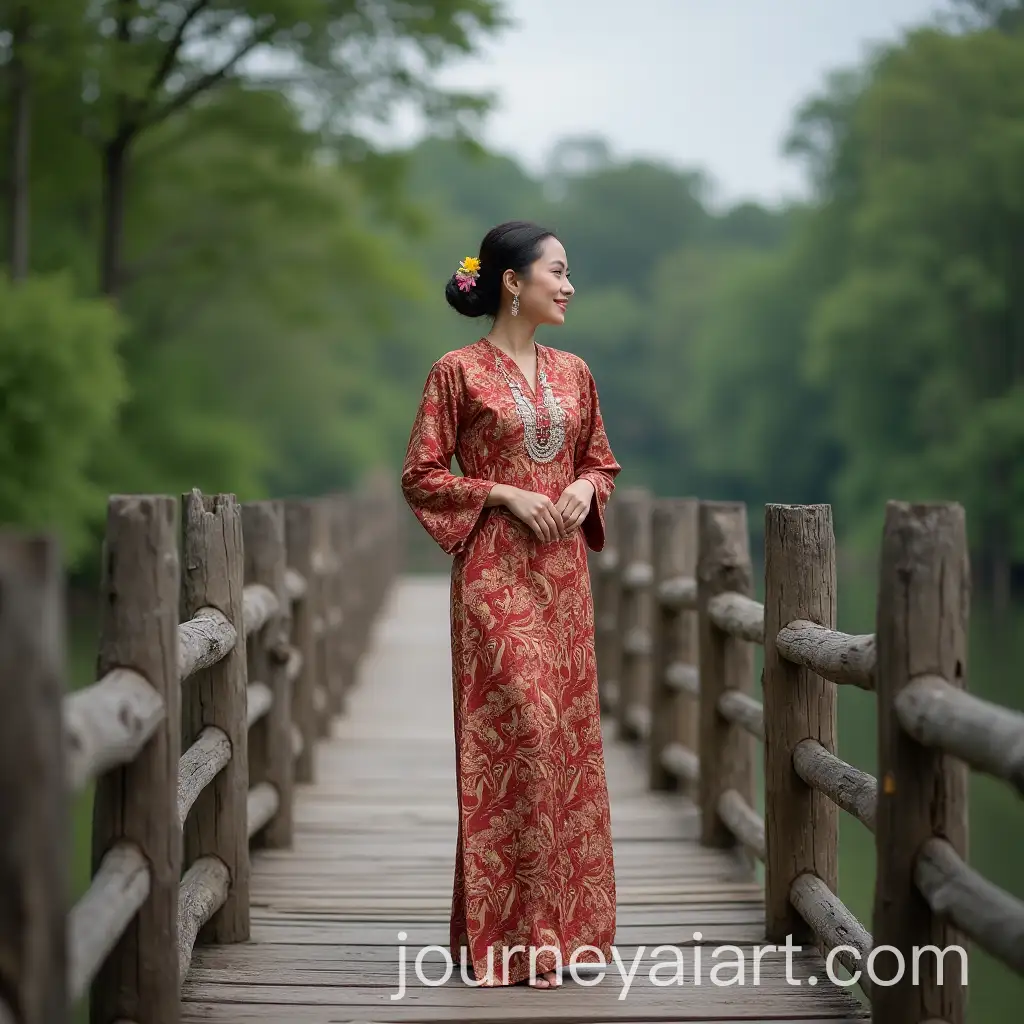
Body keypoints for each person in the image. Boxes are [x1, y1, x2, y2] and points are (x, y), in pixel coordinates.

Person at [400, 221, 621, 989]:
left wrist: (583, 487)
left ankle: (561, 932)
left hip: (562, 581)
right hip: (492, 577)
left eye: (569, 273)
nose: (567, 285)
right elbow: (422, 475)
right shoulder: (454, 373)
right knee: (520, 734)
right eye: (556, 272)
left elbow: (600, 457)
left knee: (561, 745)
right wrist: (499, 491)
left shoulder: (576, 372)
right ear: (511, 282)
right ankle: (515, 937)